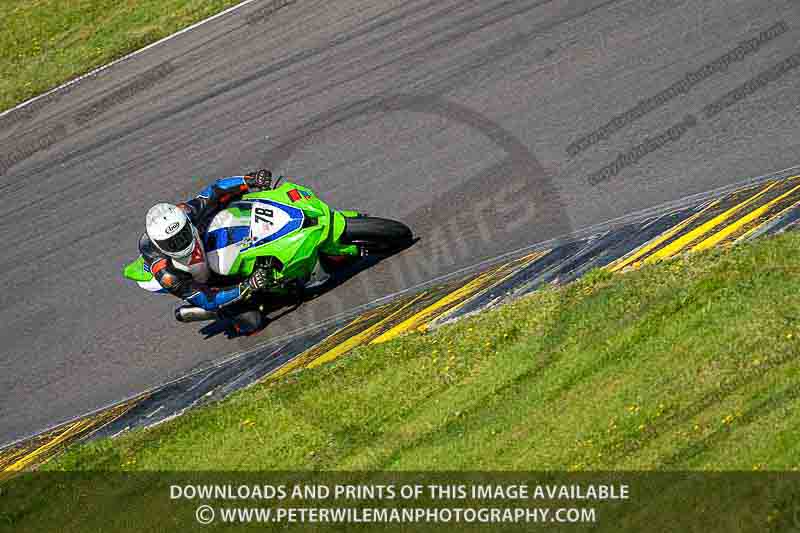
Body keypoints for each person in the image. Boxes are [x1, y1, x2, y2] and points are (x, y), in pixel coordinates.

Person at [140, 169, 276, 335]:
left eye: (183, 235)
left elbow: (214, 191)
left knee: (226, 200)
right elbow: (207, 299)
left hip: (204, 245)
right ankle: (220, 313)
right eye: (173, 243)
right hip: (199, 282)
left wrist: (250, 180)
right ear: (159, 245)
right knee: (252, 321)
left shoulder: (184, 213)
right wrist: (247, 286)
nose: (181, 243)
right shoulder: (167, 275)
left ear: (186, 224)